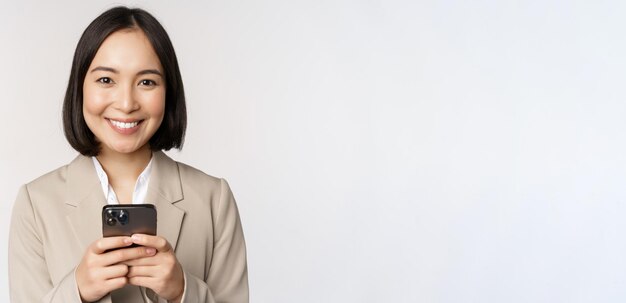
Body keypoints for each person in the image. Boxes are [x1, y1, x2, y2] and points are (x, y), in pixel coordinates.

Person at [8, 6, 249, 303]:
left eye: (147, 82)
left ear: (168, 91)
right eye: (106, 80)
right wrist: (77, 290)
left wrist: (182, 290)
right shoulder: (36, 204)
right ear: (80, 88)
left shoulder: (214, 199)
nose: (126, 103)